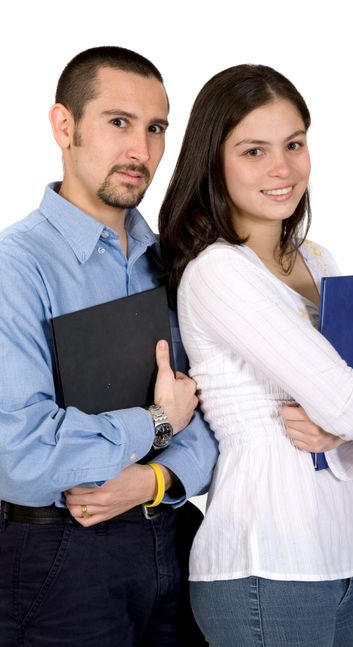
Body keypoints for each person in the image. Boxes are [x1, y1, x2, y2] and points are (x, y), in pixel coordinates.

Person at [158, 64, 353, 646]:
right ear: (214, 161)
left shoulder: (318, 259)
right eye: (253, 151)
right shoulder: (219, 273)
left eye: (293, 144)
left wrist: (351, 426)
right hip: (264, 571)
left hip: (342, 561)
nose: (282, 169)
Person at [0, 46, 218, 646]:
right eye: (118, 122)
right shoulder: (14, 268)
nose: (141, 152)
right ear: (63, 126)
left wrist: (150, 482)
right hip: (59, 557)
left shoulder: (170, 261)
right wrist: (155, 422)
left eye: (155, 129)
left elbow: (211, 416)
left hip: (172, 546)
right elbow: (17, 455)